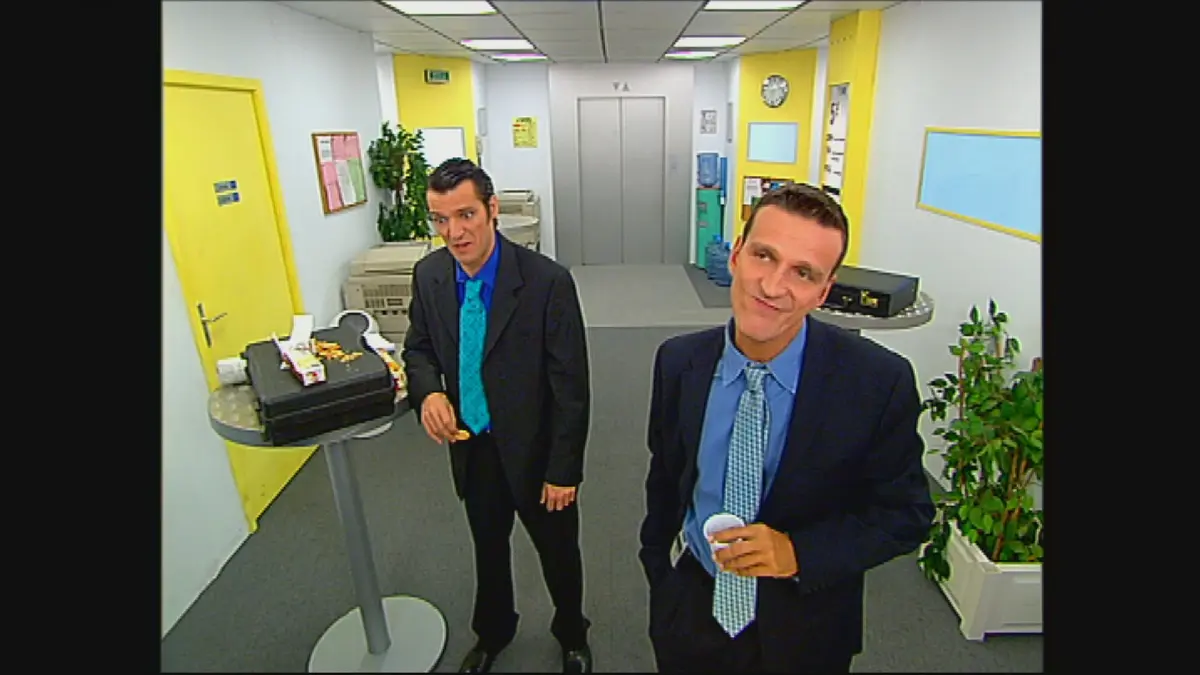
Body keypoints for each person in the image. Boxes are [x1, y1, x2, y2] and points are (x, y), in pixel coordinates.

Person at [638, 183, 935, 673]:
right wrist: (659, 570)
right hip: (690, 610)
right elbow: (668, 475)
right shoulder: (678, 362)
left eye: (803, 272)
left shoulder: (877, 382)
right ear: (736, 255)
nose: (773, 286)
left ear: (823, 291)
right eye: (764, 256)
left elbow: (906, 514)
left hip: (807, 625)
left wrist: (798, 552)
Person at [402, 158, 593, 674]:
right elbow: (418, 349)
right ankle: (493, 632)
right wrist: (429, 394)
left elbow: (571, 387)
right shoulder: (430, 275)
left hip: (536, 452)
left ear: (492, 210)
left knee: (558, 552)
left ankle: (572, 633)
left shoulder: (547, 282)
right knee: (488, 549)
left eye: (465, 215)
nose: (454, 233)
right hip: (474, 445)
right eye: (440, 220)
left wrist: (564, 469)